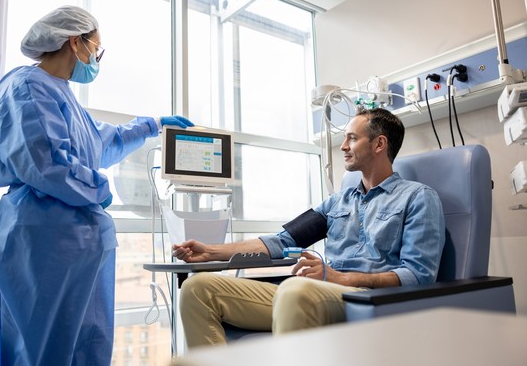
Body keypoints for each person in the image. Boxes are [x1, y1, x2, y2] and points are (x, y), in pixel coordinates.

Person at [0, 5, 193, 365]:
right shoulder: (27, 87)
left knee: (85, 344)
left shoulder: (62, 96)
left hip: (78, 248)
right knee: (41, 348)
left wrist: (153, 124)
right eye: (97, 49)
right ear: (75, 42)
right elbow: (47, 165)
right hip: (42, 242)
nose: (96, 59)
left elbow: (101, 142)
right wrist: (101, 190)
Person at [173, 107, 445, 348]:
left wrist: (339, 278)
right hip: (315, 292)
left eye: (352, 138)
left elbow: (417, 275)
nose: (343, 146)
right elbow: (281, 241)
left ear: (379, 144)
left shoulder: (417, 197)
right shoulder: (337, 202)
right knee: (198, 289)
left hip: (368, 299)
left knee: (296, 289)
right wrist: (211, 252)